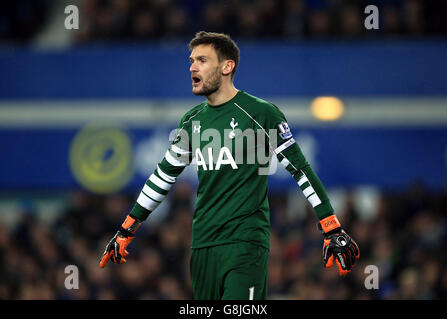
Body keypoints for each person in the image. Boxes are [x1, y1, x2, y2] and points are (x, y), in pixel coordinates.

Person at [99, 31, 360, 300]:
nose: (192, 67)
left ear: (227, 66)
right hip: (202, 245)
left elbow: (300, 170)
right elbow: (162, 177)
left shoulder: (261, 113)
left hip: (245, 244)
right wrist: (126, 229)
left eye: (202, 60)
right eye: (191, 60)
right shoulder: (191, 120)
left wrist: (332, 226)